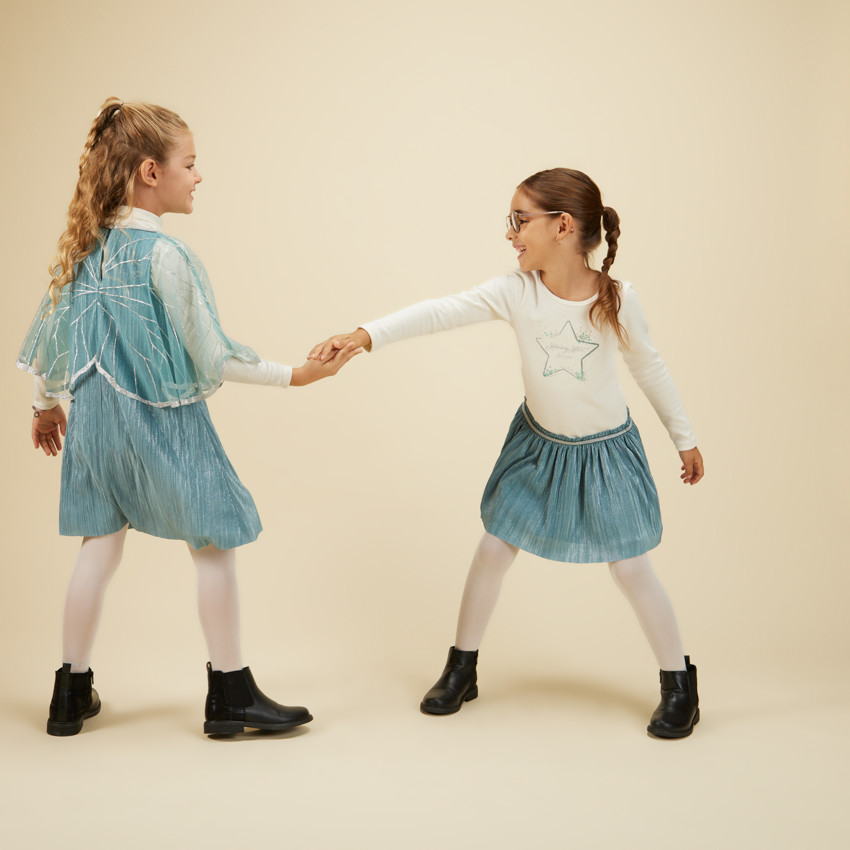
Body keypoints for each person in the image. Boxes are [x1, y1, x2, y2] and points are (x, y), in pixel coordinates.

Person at [309, 167, 704, 738]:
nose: (510, 233)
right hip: (538, 448)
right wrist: (364, 334)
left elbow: (649, 366)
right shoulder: (515, 291)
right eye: (510, 221)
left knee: (631, 567)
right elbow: (439, 310)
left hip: (604, 454)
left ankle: (679, 684)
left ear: (563, 226)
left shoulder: (616, 299)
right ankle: (461, 668)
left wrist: (683, 436)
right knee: (494, 548)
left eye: (520, 220)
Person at [17, 97, 360, 737]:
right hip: (163, 423)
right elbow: (211, 354)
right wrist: (295, 373)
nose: (198, 177)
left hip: (93, 423)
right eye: (190, 164)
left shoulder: (84, 250)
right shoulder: (165, 256)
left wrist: (45, 408)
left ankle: (70, 694)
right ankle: (230, 693)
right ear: (151, 171)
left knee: (99, 546)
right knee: (213, 543)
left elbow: (52, 342)